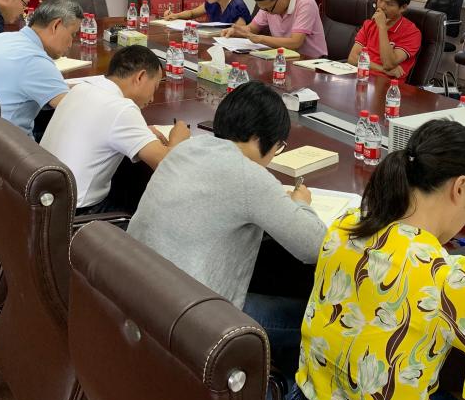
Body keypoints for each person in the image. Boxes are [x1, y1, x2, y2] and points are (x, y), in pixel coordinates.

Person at [289, 120, 465, 400]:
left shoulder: (347, 225)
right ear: (459, 187)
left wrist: (454, 271)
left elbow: (400, 262)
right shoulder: (449, 282)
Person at [127, 81, 326, 379]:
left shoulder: (187, 148)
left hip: (137, 295)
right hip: (193, 319)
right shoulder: (248, 175)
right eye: (278, 147)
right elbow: (315, 246)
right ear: (259, 138)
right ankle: (279, 393)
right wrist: (301, 204)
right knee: (313, 320)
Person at [40, 46, 191, 215]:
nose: (152, 98)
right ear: (140, 77)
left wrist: (142, 131)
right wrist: (179, 138)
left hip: (45, 199)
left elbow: (100, 124)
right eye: (154, 88)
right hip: (76, 213)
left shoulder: (82, 88)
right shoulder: (122, 109)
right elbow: (167, 164)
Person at [0, 0, 82, 138]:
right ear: (56, 25)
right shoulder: (35, 60)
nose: (70, 44)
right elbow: (75, 110)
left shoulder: (2, 38)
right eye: (72, 34)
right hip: (6, 146)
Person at [222, 0, 327, 58]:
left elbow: (295, 42)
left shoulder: (306, 3)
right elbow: (252, 28)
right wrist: (237, 31)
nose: (267, 12)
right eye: (264, 9)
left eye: (269, 9)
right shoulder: (268, 6)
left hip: (310, 61)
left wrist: (260, 39)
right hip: (284, 56)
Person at [348, 0, 421, 83]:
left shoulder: (412, 33)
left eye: (389, 4)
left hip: (388, 86)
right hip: (362, 78)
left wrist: (382, 27)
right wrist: (382, 69)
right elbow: (352, 58)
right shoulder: (369, 24)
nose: (382, 6)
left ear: (403, 8)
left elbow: (388, 64)